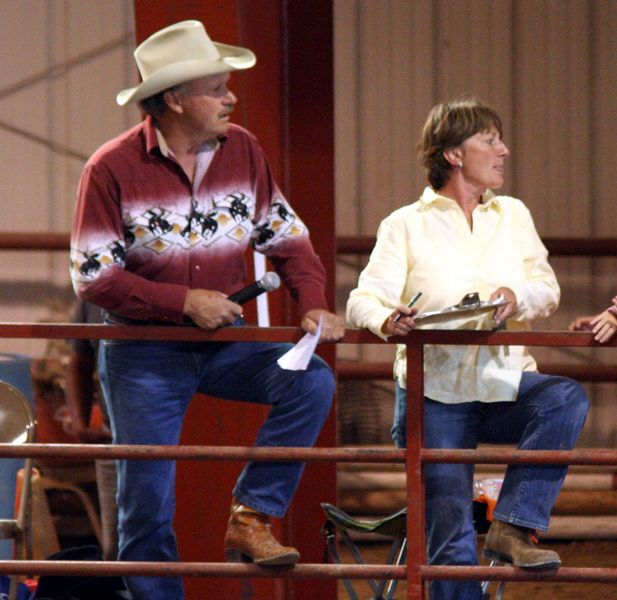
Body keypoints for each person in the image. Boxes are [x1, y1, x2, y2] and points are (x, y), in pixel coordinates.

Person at [69, 20, 345, 600]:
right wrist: (183, 301)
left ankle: (251, 514)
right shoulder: (110, 167)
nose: (231, 97)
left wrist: (315, 304)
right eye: (217, 88)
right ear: (174, 99)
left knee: (311, 382)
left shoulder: (243, 150)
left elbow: (288, 240)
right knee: (146, 499)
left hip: (226, 342)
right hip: (144, 350)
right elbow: (93, 275)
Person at [346, 98, 589, 600]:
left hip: (502, 381)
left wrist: (514, 295)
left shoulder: (513, 215)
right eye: (490, 140)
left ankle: (515, 524)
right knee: (450, 532)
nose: (504, 150)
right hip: (434, 390)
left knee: (563, 398)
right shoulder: (405, 224)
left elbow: (546, 285)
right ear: (454, 154)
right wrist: (388, 318)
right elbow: (362, 298)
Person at [64, 299, 118, 561]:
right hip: (114, 437)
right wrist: (81, 424)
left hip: (172, 433)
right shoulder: (94, 289)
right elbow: (79, 362)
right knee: (116, 549)